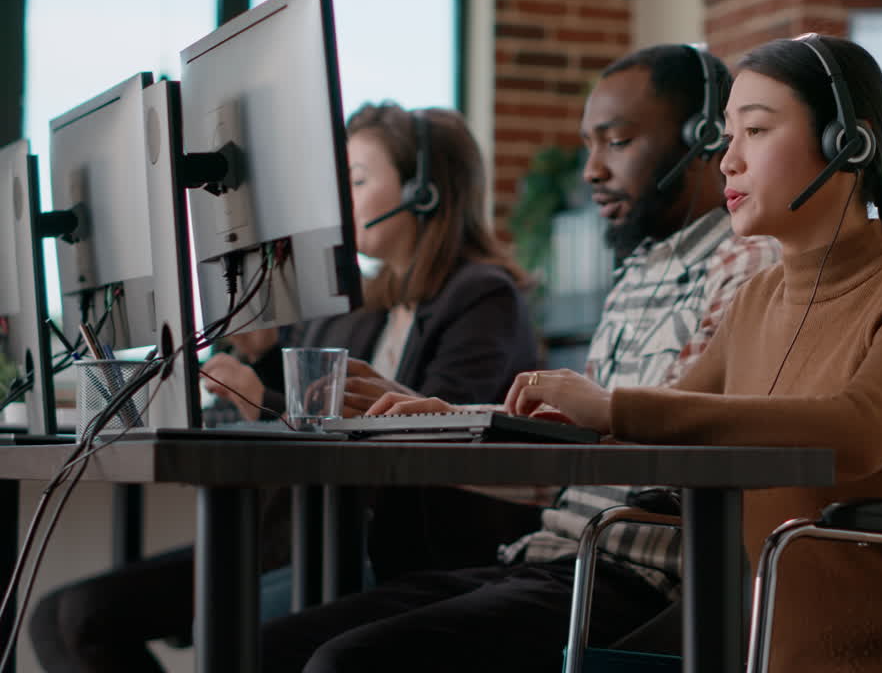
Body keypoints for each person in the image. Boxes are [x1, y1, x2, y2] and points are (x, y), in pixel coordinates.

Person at [258, 44, 780, 673]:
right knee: (265, 647)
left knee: (345, 661)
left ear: (703, 140)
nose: (590, 170)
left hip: (637, 579)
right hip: (548, 554)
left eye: (615, 142)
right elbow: (572, 460)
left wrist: (459, 428)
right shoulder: (641, 270)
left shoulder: (745, 269)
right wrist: (440, 421)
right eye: (588, 145)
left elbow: (667, 455)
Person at [498, 34, 882, 671]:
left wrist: (613, 406)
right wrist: (477, 422)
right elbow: (658, 432)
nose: (727, 161)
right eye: (725, 136)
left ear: (847, 142)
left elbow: (857, 431)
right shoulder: (758, 297)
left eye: (756, 132)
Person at [28, 103, 542, 673]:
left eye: (359, 180)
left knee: (199, 629)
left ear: (424, 191)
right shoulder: (367, 306)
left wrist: (262, 395)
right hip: (310, 534)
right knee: (62, 616)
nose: (341, 200)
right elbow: (309, 394)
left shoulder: (481, 295)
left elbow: (438, 432)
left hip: (408, 549)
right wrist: (262, 357)